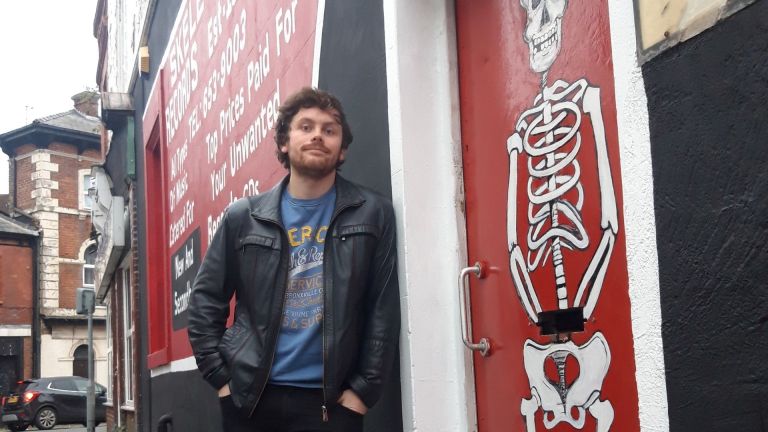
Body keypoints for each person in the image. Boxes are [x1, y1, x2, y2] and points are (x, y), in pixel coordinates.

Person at [188, 87, 400, 432]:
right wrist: (222, 381)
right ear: (284, 142)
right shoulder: (244, 217)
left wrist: (362, 393)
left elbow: (384, 310)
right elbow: (205, 301)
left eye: (330, 130)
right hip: (250, 400)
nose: (318, 134)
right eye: (306, 126)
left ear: (342, 148)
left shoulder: (373, 214)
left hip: (332, 406)